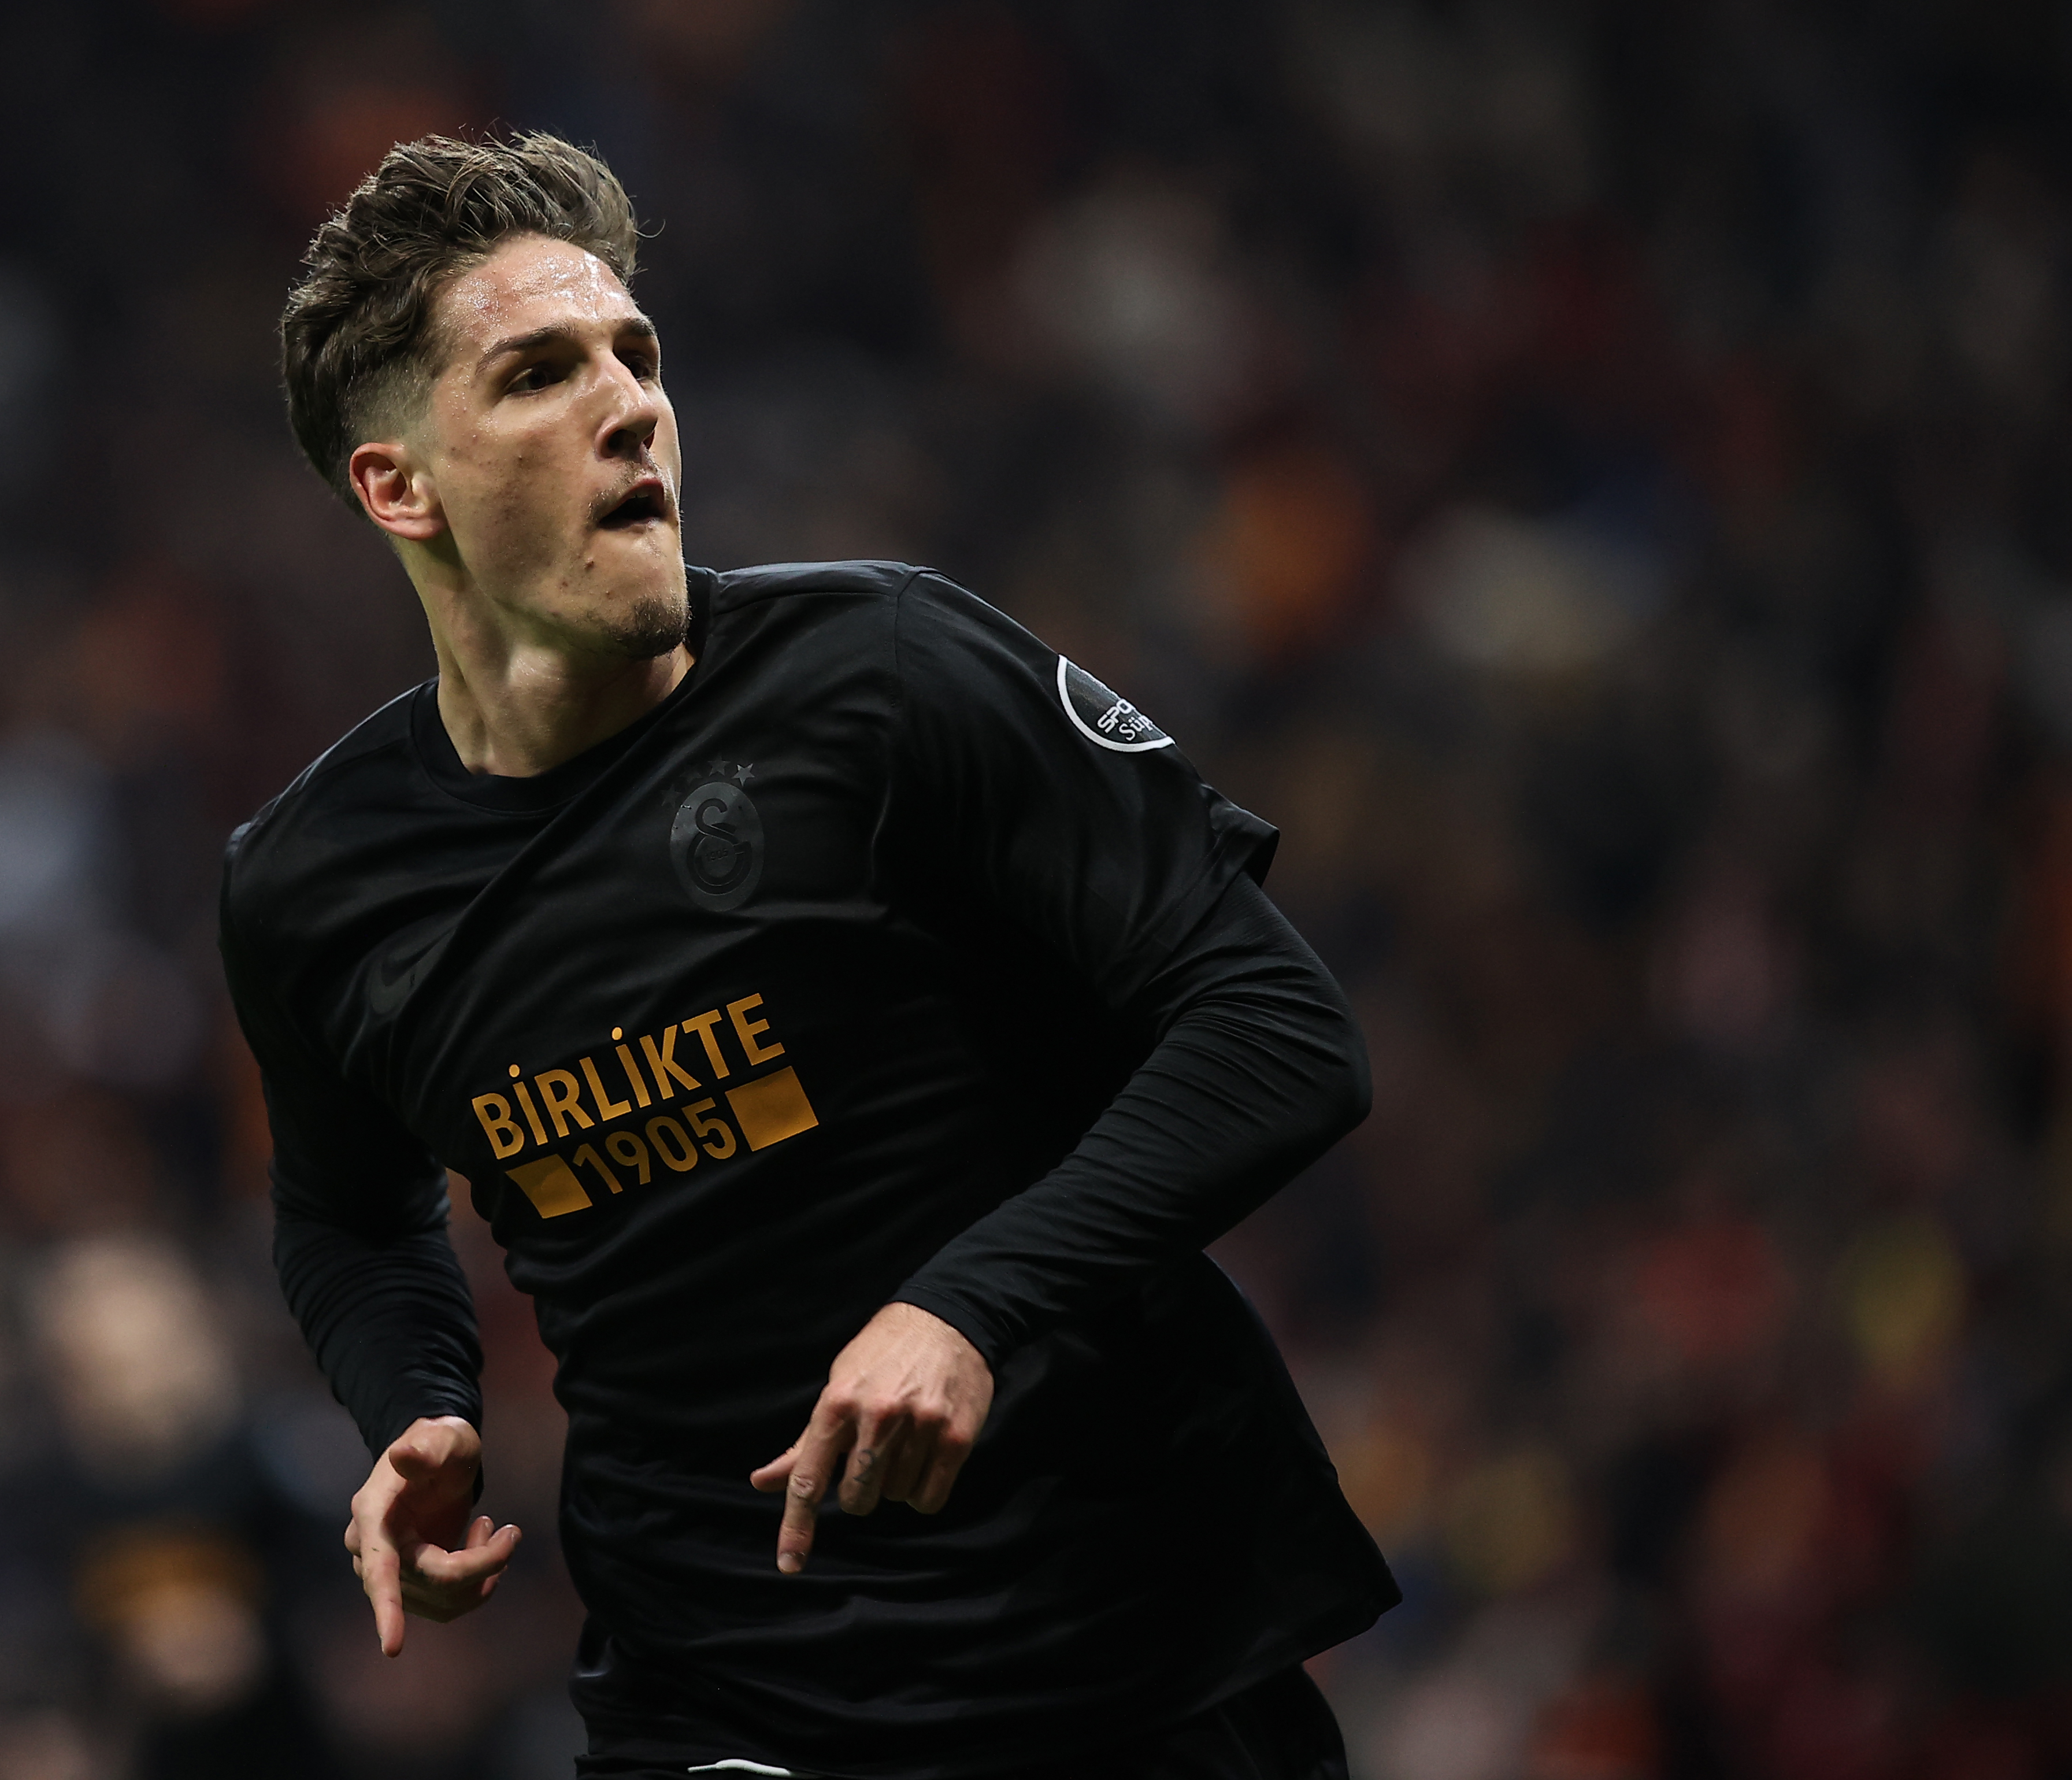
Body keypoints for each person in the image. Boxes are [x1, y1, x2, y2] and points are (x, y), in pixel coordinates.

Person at [218, 132, 1397, 1780]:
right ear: (399, 486)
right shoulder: (314, 884)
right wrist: (421, 1402)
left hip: (1114, 1655)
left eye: (638, 356)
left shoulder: (886, 677)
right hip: (716, 1692)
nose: (632, 407)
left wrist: (969, 1305)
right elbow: (348, 1216)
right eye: (540, 375)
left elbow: (1275, 1026)